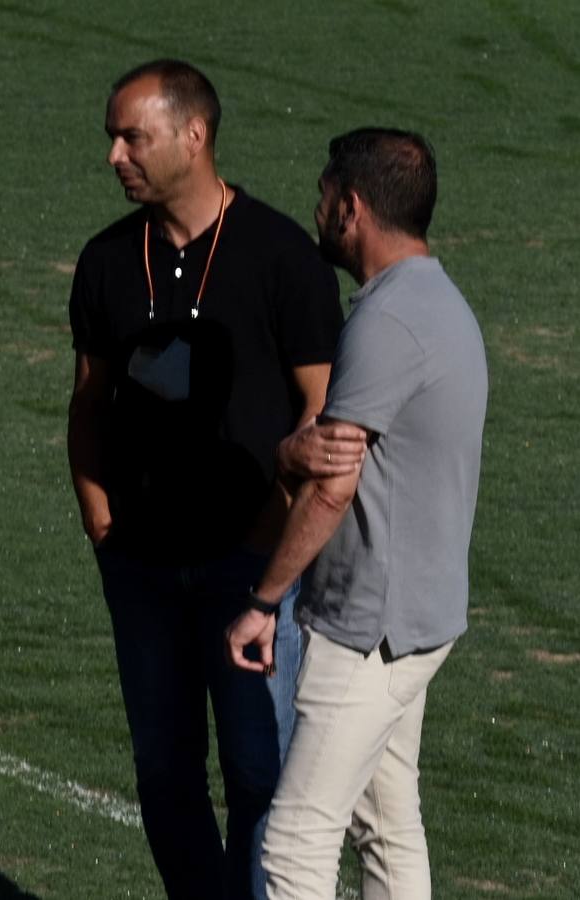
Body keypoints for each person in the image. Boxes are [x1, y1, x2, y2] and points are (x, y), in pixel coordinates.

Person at [66, 59, 356, 899]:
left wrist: (274, 550)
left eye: (133, 136)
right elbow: (89, 401)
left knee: (259, 771)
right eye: (113, 138)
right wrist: (99, 514)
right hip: (142, 565)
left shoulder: (281, 258)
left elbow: (322, 413)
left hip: (247, 566)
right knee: (164, 775)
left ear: (194, 136)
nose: (115, 155)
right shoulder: (108, 262)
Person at [226, 128, 488, 900]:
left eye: (323, 195)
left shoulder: (388, 322)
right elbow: (338, 452)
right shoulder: (434, 301)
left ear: (352, 207)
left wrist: (264, 600)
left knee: (294, 844)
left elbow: (333, 481)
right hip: (418, 618)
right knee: (387, 824)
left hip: (368, 629)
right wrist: (298, 452)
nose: (316, 209)